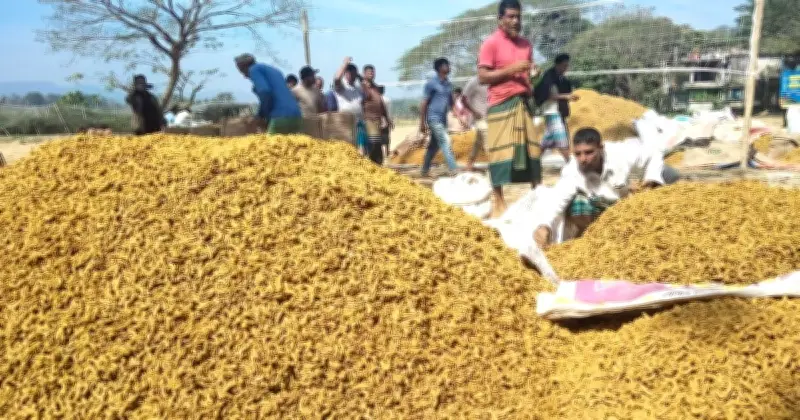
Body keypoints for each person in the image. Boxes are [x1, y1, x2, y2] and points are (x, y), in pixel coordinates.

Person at [532, 128, 679, 248]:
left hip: (626, 206)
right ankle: (591, 238)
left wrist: (652, 180)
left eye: (589, 152)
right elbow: (557, 200)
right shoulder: (572, 170)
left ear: (601, 148)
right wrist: (544, 225)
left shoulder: (620, 153)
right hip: (600, 210)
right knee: (577, 204)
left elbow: (654, 154)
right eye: (578, 154)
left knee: (670, 176)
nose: (583, 159)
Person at [478, 0, 541, 218]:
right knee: (500, 154)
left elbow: (528, 72)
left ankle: (537, 197)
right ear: (500, 19)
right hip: (500, 104)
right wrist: (512, 69)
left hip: (522, 103)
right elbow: (483, 76)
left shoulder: (526, 45)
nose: (515, 21)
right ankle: (499, 199)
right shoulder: (490, 43)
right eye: (511, 17)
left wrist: (533, 74)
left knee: (532, 150)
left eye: (518, 17)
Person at [234, 53, 302, 134]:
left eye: (242, 71)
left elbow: (265, 92)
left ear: (245, 65)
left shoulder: (254, 69)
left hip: (280, 116)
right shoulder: (274, 70)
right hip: (296, 115)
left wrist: (260, 115)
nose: (244, 75)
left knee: (269, 145)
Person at [420, 57, 460, 178]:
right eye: (446, 65)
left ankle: (424, 170)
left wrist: (460, 117)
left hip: (443, 120)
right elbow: (424, 103)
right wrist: (422, 123)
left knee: (434, 146)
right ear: (439, 68)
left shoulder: (448, 84)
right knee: (445, 141)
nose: (449, 67)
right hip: (433, 118)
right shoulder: (431, 84)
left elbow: (452, 103)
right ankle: (454, 170)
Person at [534, 53, 577, 161]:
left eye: (567, 66)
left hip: (558, 112)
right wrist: (567, 96)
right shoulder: (549, 77)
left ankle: (534, 163)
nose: (566, 68)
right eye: (564, 65)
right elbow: (548, 95)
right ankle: (570, 163)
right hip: (551, 111)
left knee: (546, 142)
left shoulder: (561, 78)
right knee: (562, 140)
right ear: (557, 65)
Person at [361, 65, 393, 165]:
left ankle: (378, 165)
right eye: (369, 72)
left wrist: (387, 118)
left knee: (378, 144)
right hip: (368, 119)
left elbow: (381, 103)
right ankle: (370, 165)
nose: (372, 74)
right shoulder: (362, 87)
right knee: (373, 143)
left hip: (378, 120)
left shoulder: (375, 87)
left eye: (373, 72)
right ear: (364, 74)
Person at [460, 74, 489, 172]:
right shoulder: (474, 81)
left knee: (478, 142)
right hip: (480, 118)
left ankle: (469, 164)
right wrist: (474, 112)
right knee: (488, 142)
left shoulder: (493, 80)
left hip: (491, 117)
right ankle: (495, 167)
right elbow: (463, 99)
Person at [379, 85, 392, 158]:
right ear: (383, 91)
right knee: (386, 137)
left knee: (379, 138)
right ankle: (387, 152)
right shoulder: (387, 100)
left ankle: (380, 153)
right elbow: (389, 112)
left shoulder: (376, 100)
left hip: (378, 121)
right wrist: (390, 121)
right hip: (386, 121)